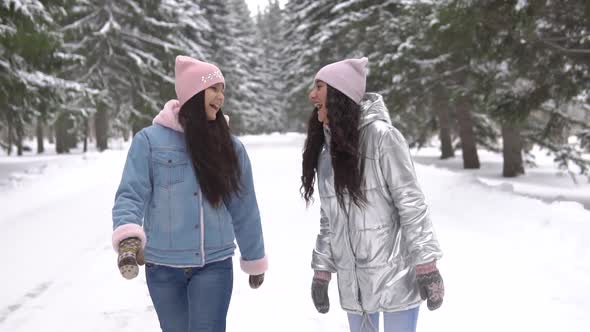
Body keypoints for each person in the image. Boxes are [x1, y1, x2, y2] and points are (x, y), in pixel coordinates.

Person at [111, 55, 267, 332]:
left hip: (213, 265)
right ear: (194, 92)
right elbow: (131, 194)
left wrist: (254, 258)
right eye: (214, 88)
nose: (220, 97)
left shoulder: (230, 147)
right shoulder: (149, 141)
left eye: (222, 90)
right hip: (162, 267)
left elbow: (244, 206)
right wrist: (128, 237)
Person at [301, 57, 444, 332]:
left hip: (396, 276)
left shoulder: (383, 138)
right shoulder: (326, 154)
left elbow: (412, 205)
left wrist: (426, 264)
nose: (312, 95)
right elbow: (329, 220)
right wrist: (322, 270)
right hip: (354, 282)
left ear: (340, 94)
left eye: (319, 86)